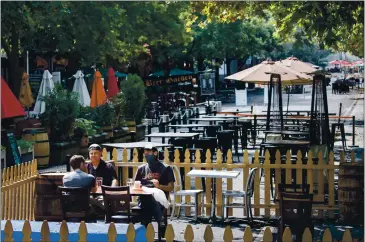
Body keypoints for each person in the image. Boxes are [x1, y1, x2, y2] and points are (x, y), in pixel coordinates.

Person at [134, 144, 175, 228]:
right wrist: (139, 187)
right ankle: (160, 219)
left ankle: (146, 228)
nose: (146, 154)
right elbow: (135, 185)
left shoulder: (166, 168)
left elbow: (171, 187)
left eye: (148, 152)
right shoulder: (141, 168)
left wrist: (159, 186)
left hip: (159, 200)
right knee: (147, 199)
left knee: (149, 203)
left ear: (155, 153)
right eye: (145, 152)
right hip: (143, 199)